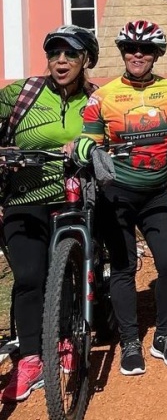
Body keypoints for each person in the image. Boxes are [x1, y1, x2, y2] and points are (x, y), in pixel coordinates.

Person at [76, 21, 167, 375]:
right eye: (131, 48)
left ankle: (164, 336)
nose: (137, 54)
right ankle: (130, 341)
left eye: (146, 49)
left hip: (158, 193)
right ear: (122, 52)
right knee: (124, 267)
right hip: (115, 195)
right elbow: (90, 143)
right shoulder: (102, 96)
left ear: (156, 55)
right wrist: (85, 147)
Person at [0, 26, 99, 403]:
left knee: (68, 270)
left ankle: (64, 339)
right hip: (23, 198)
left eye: (70, 54)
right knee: (28, 276)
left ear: (85, 60)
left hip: (72, 198)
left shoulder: (93, 100)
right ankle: (30, 358)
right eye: (54, 54)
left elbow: (107, 135)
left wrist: (88, 143)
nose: (61, 61)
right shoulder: (21, 94)